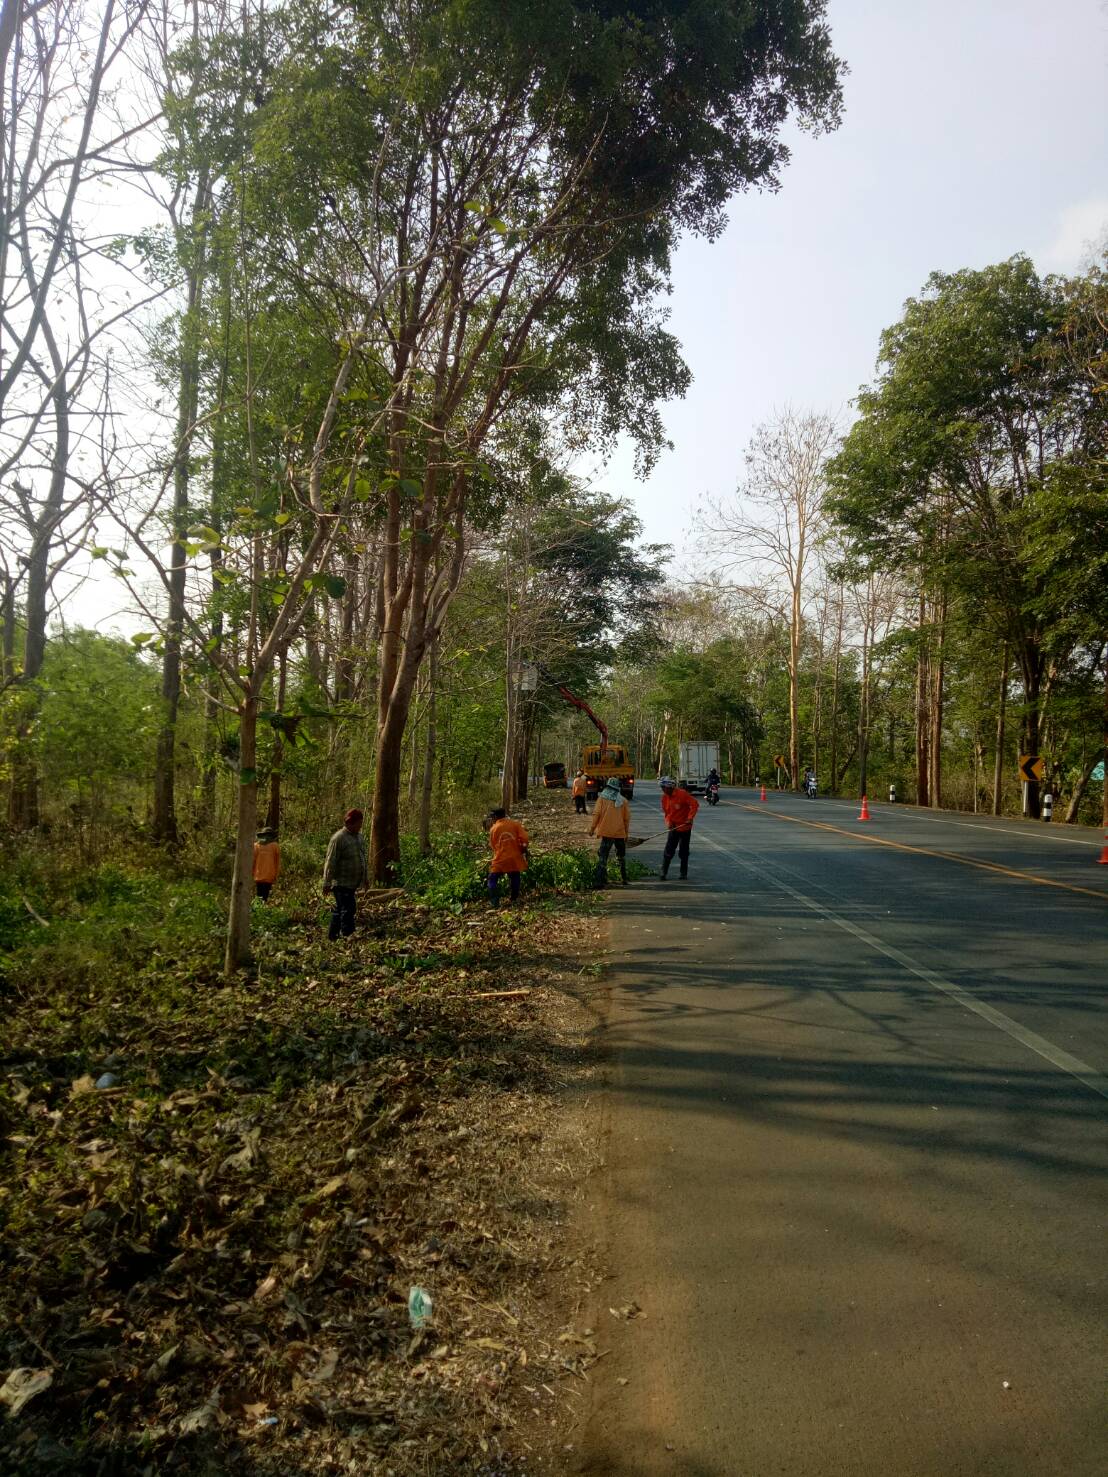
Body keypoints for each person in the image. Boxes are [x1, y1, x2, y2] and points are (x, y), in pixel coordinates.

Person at [323, 807, 368, 940]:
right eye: (358, 823)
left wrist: (365, 878)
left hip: (353, 882)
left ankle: (333, 936)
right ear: (350, 823)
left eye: (361, 823)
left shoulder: (359, 837)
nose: (360, 826)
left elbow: (362, 858)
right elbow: (330, 861)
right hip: (341, 882)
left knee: (340, 909)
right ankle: (349, 935)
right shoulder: (338, 838)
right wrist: (326, 882)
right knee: (348, 909)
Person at [589, 775, 631, 887]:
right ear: (617, 788)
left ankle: (600, 881)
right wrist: (626, 834)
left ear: (607, 786)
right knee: (620, 856)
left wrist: (592, 829)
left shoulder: (602, 798)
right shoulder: (623, 801)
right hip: (619, 833)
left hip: (606, 832)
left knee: (603, 856)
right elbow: (626, 820)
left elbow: (596, 814)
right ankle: (623, 878)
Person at [486, 807, 529, 905]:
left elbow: (493, 846)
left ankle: (494, 902)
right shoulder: (515, 824)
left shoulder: (493, 829)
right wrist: (523, 848)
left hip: (500, 859)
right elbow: (525, 839)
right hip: (514, 857)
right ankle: (514, 898)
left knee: (492, 879)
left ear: (495, 817)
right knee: (515, 876)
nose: (492, 819)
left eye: (492, 817)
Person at [659, 775, 699, 880]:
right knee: (669, 850)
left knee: (684, 851)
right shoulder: (664, 798)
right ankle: (663, 872)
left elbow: (694, 804)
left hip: (685, 827)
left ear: (670, 787)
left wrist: (690, 818)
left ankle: (683, 873)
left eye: (664, 787)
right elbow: (667, 813)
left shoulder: (682, 794)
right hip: (674, 828)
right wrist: (669, 822)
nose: (663, 790)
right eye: (662, 788)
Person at [253, 825, 281, 901]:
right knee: (265, 897)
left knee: (259, 897)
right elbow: (277, 863)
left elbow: (253, 861)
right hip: (269, 876)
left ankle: (258, 908)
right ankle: (261, 907)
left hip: (258, 876)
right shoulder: (275, 846)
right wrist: (276, 876)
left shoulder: (256, 846)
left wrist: (252, 874)